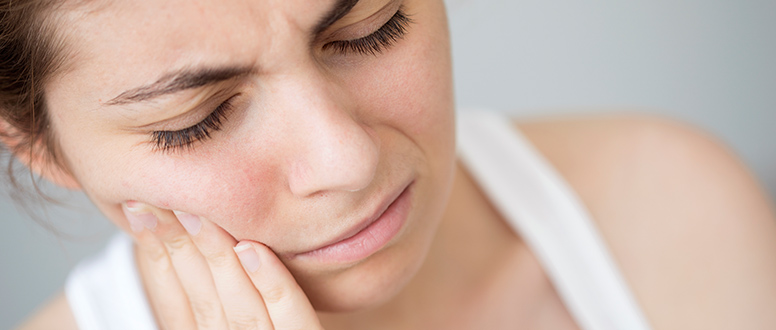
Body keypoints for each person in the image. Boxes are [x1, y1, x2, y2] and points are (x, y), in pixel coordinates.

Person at [3, 0, 776, 329]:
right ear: (42, 149)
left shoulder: (670, 208)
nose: (348, 158)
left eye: (372, 27)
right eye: (196, 121)